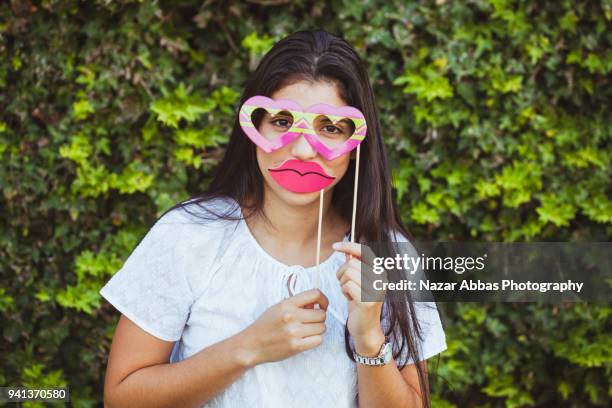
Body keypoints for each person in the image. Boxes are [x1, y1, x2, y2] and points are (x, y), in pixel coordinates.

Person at [100, 29, 447, 408]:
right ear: (254, 127)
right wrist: (248, 347)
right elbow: (123, 397)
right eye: (282, 121)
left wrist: (368, 337)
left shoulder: (388, 255)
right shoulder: (188, 236)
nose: (301, 149)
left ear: (355, 145)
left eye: (329, 128)